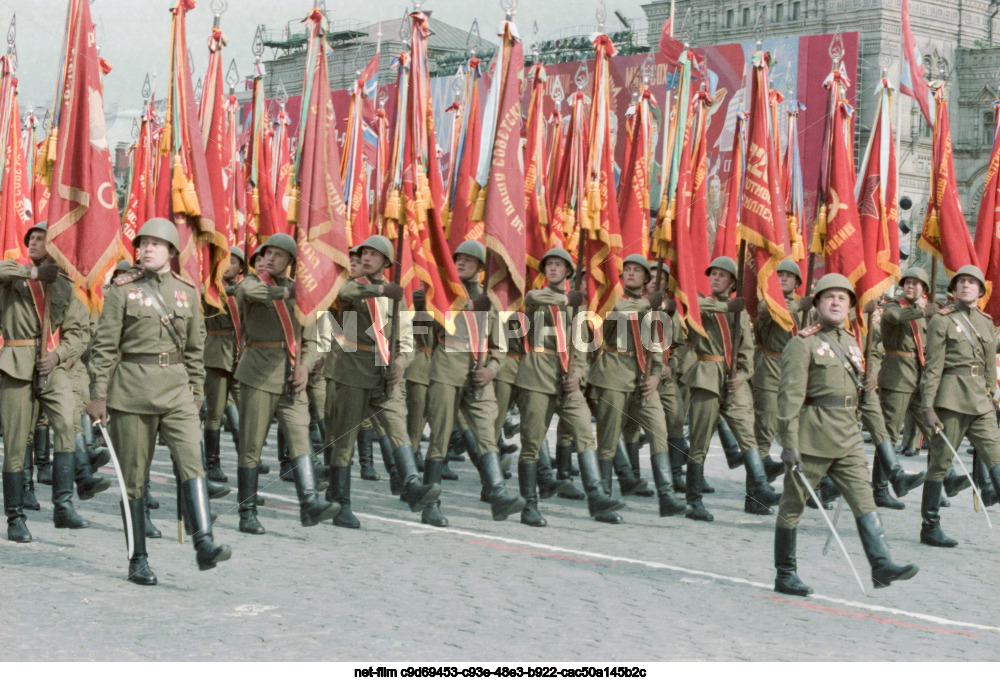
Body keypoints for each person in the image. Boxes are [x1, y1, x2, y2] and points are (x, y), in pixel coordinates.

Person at [87, 218, 231, 585]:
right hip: (132, 392)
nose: (146, 249)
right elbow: (104, 348)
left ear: (171, 251)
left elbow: (196, 349)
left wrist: (196, 393)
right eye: (143, 243)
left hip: (178, 392)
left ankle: (204, 542)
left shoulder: (188, 291)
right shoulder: (122, 290)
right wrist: (98, 396)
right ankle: (138, 558)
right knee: (133, 479)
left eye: (155, 244)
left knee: (192, 461)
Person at [775, 273, 918, 595]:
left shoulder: (852, 341)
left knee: (864, 500)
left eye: (843, 298)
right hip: (812, 439)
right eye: (830, 297)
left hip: (848, 439)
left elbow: (860, 396)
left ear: (850, 307)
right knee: (792, 506)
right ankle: (785, 573)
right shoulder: (803, 343)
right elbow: (789, 398)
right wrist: (789, 442)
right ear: (817, 304)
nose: (836, 302)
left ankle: (881, 566)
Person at [325, 234, 438, 527]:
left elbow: (406, 341)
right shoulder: (352, 286)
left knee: (397, 428)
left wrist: (400, 364)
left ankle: (411, 485)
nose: (365, 258)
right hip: (353, 368)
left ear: (387, 262)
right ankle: (340, 503)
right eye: (363, 253)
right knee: (345, 439)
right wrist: (380, 290)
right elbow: (345, 295)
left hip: (383, 370)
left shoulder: (396, 297)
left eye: (373, 255)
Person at [232, 233, 336, 535]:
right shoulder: (252, 283)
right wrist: (291, 292)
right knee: (251, 445)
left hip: (292, 375)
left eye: (279, 255)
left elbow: (317, 334)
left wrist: (305, 364)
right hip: (258, 374)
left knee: (300, 439)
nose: (270, 259)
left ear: (291, 261)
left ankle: (309, 505)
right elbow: (252, 293)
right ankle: (247, 511)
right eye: (267, 253)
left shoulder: (304, 293)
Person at [2, 222, 98, 542]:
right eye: (31, 238)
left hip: (49, 366)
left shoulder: (64, 285)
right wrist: (31, 275)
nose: (33, 242)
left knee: (68, 424)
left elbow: (78, 334)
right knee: (16, 444)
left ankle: (63, 506)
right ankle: (15, 518)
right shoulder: (16, 272)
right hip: (16, 362)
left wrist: (58, 357)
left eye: (42, 239)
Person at [421, 240, 523, 526]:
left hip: (479, 377)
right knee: (440, 438)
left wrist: (491, 370)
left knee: (486, 434)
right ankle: (431, 505)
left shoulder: (491, 301)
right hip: (446, 370)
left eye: (469, 260)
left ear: (481, 267)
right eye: (458, 259)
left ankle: (498, 493)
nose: (461, 263)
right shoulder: (443, 295)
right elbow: (425, 302)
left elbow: (499, 348)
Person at [515, 248, 618, 526]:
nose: (552, 269)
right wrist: (565, 301)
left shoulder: (578, 308)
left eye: (559, 265)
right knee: (532, 443)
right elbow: (536, 300)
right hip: (538, 374)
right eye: (548, 265)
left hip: (566, 379)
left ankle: (596, 495)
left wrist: (578, 376)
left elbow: (581, 350)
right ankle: (530, 505)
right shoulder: (538, 297)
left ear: (568, 272)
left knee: (584, 430)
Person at [588, 253, 686, 522]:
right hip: (613, 371)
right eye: (627, 270)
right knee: (608, 439)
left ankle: (666, 495)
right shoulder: (613, 300)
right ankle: (603, 499)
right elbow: (619, 314)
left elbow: (657, 346)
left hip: (642, 377)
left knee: (658, 429)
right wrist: (649, 304)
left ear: (645, 279)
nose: (630, 273)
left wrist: (655, 375)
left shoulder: (651, 308)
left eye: (636, 271)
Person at [682, 256, 780, 521]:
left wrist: (743, 375)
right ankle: (694, 502)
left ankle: (760, 486)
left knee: (747, 435)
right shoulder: (704, 302)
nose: (715, 278)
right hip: (706, 375)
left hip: (732, 380)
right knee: (699, 442)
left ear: (732, 282)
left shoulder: (741, 313)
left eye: (721, 275)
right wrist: (728, 309)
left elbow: (747, 351)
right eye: (712, 273)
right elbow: (693, 308)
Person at [919, 265, 1000, 547]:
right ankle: (929, 526)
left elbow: (990, 366)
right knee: (939, 465)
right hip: (950, 400)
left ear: (980, 290)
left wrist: (993, 395)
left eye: (972, 283)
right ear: (954, 289)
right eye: (961, 282)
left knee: (997, 458)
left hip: (981, 402)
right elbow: (932, 367)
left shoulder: (987, 323)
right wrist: (927, 406)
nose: (966, 286)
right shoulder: (942, 321)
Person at [202, 246, 245, 484]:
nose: (230, 266)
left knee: (245, 414)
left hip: (241, 356)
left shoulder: (246, 289)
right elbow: (204, 297)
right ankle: (212, 463)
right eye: (226, 261)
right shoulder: (210, 290)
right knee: (215, 414)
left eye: (235, 262)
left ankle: (247, 460)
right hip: (217, 355)